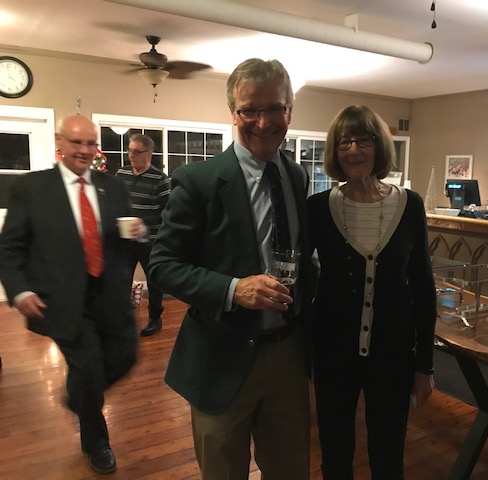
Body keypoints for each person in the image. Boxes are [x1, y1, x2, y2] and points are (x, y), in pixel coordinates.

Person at [148, 58, 314, 479]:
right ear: (233, 112)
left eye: (274, 108)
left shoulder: (297, 177)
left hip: (288, 353)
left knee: (291, 470)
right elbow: (163, 266)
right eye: (249, 110)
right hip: (221, 355)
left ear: (290, 111)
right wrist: (233, 288)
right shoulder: (198, 181)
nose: (263, 122)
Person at [0, 114, 145, 475]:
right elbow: (10, 247)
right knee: (88, 368)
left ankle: (78, 396)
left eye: (90, 143)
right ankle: (97, 443)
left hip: (109, 296)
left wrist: (137, 235)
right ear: (59, 143)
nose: (84, 150)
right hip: (64, 300)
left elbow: (124, 241)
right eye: (76, 142)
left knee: (126, 356)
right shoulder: (32, 188)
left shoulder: (113, 187)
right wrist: (19, 290)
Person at [307, 105, 438, 480]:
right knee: (335, 451)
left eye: (363, 140)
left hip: (393, 354)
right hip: (332, 353)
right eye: (344, 142)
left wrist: (424, 365)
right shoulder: (318, 208)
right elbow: (298, 274)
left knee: (388, 452)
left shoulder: (410, 205)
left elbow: (423, 285)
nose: (353, 150)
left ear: (379, 146)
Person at [116, 134, 170, 336]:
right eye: (130, 151)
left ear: (149, 154)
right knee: (122, 280)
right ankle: (122, 319)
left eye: (137, 152)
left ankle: (155, 319)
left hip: (151, 242)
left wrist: (146, 229)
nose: (131, 155)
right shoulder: (121, 174)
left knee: (154, 282)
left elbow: (168, 214)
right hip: (125, 240)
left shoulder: (160, 180)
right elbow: (116, 203)